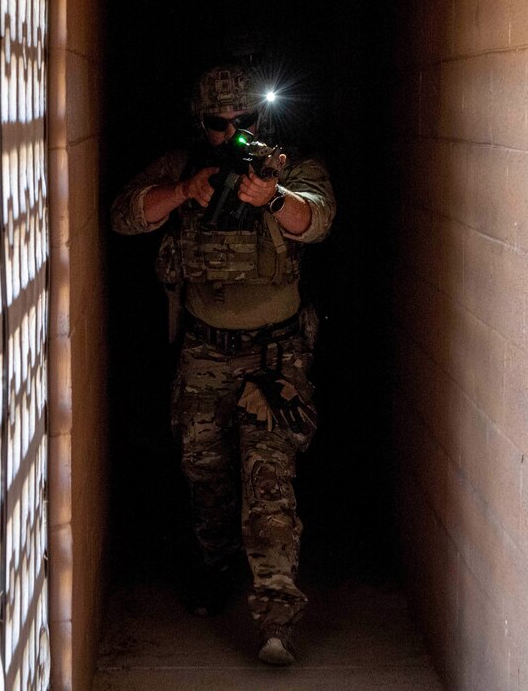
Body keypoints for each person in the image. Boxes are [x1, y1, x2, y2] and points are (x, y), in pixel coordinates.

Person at [110, 64, 335, 665]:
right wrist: (185, 192)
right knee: (204, 477)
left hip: (273, 357)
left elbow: (316, 219)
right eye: (220, 122)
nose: (234, 132)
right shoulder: (182, 167)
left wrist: (274, 198)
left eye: (247, 121)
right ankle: (215, 566)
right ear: (202, 122)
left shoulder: (288, 168)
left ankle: (276, 618)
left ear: (264, 120)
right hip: (205, 353)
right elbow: (125, 214)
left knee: (270, 487)